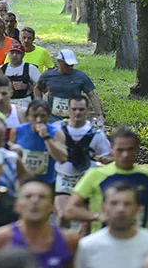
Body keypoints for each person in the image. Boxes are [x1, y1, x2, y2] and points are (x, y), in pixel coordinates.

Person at [63, 126, 148, 232]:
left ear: (137, 149)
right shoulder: (95, 174)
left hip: (137, 242)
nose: (125, 155)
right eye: (120, 150)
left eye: (130, 149)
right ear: (112, 148)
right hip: (103, 242)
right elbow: (70, 209)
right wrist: (98, 216)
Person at [0, 180, 79, 268]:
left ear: (51, 207)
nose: (34, 201)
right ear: (16, 206)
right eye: (28, 196)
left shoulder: (70, 240)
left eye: (42, 197)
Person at [74, 182, 148, 268]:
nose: (120, 209)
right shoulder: (87, 246)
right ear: (103, 208)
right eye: (114, 203)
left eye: (127, 204)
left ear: (138, 209)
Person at [55, 95, 112, 225]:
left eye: (81, 109)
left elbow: (110, 156)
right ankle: (61, 244)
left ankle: (80, 244)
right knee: (63, 215)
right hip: (64, 178)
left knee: (85, 221)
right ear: (68, 110)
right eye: (74, 109)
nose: (77, 113)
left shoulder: (97, 134)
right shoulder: (57, 129)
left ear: (87, 110)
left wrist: (105, 159)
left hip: (86, 178)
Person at [34, 49, 104, 122]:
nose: (70, 67)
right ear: (59, 61)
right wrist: (38, 103)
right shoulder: (48, 75)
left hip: (74, 119)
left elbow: (92, 95)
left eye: (72, 65)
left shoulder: (80, 76)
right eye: (67, 65)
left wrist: (100, 114)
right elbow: (38, 88)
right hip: (52, 118)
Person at [11, 100, 67, 186]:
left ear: (48, 116)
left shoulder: (56, 133)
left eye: (43, 116)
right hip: (23, 182)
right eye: (34, 116)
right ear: (28, 116)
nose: (38, 120)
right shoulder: (17, 130)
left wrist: (46, 138)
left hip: (47, 183)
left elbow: (62, 158)